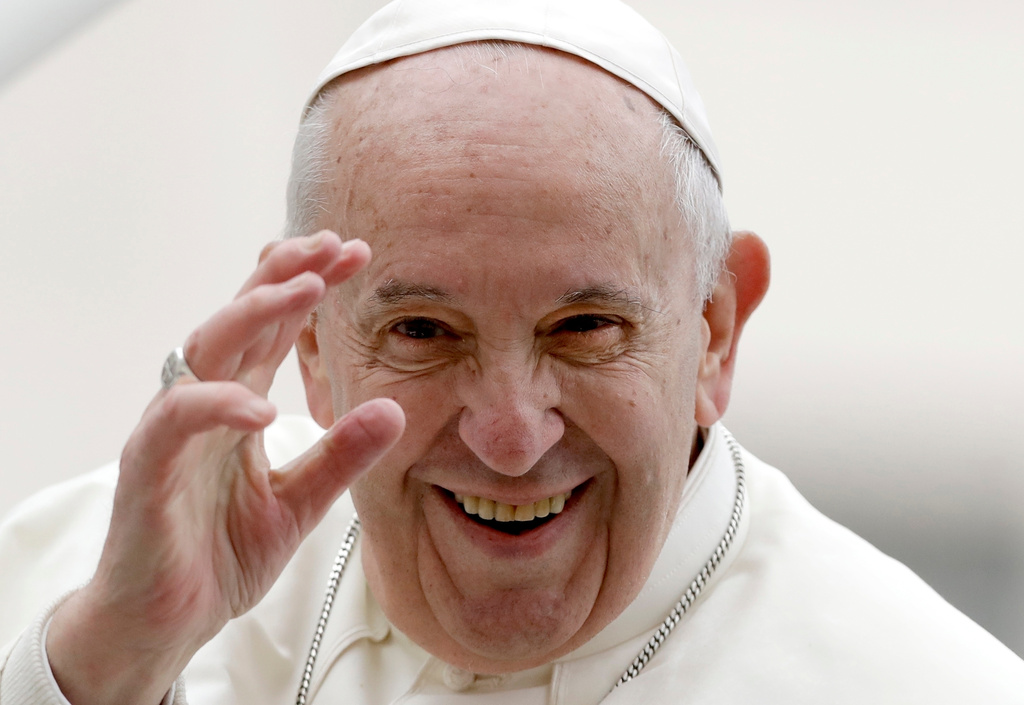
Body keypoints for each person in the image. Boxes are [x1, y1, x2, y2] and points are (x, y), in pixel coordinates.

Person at [1, 0, 1022, 703]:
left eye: (582, 330)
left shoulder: (920, 682)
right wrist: (111, 666)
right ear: (310, 342)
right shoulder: (93, 589)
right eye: (422, 333)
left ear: (713, 331)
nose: (507, 437)